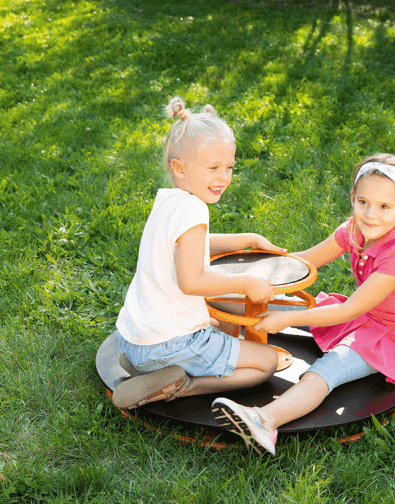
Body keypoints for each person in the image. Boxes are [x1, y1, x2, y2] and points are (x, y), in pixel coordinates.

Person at [212, 153, 395, 455]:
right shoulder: (354, 230)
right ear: (353, 198)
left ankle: (264, 422)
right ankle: (212, 338)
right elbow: (303, 262)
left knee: (325, 371)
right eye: (363, 203)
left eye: (384, 207)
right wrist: (250, 272)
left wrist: (284, 320)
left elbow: (350, 309)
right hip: (363, 317)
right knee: (250, 304)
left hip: (391, 337)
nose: (370, 214)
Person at [112, 96, 284, 410]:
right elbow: (191, 282)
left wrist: (248, 239)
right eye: (213, 167)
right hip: (168, 343)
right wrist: (245, 282)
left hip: (135, 339)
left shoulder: (169, 200)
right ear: (179, 167)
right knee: (267, 363)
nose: (223, 177)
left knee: (226, 316)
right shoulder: (193, 208)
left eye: (229, 167)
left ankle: (150, 368)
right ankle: (181, 385)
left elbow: (196, 243)